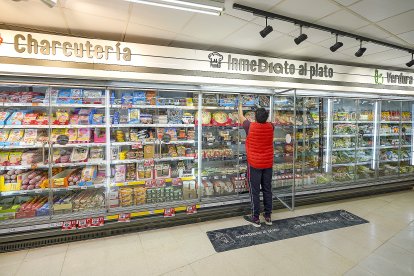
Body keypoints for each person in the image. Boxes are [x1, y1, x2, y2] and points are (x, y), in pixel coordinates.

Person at [239, 101, 274, 227]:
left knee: (254, 191)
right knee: (267, 189)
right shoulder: (271, 126)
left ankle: (255, 218)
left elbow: (241, 117)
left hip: (254, 164)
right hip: (268, 164)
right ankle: (268, 216)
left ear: (255, 117)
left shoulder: (250, 126)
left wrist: (240, 106)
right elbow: (267, 120)